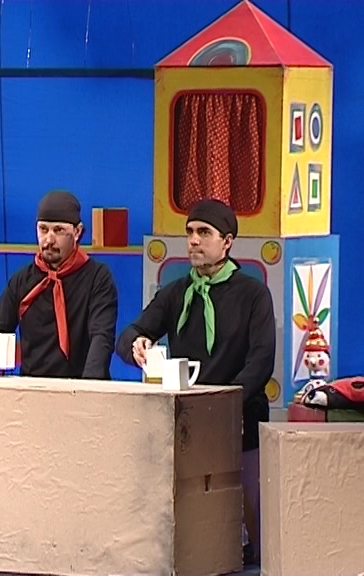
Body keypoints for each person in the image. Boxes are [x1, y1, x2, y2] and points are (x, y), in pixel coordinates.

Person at [115, 198, 275, 566]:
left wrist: (224, 404)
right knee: (193, 532)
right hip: (186, 421)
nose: (194, 240)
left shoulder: (253, 295)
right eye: (189, 232)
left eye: (204, 232)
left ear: (227, 241)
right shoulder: (175, 294)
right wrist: (137, 344)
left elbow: (261, 361)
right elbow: (129, 335)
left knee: (248, 536)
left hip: (238, 417)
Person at [0, 190, 118, 379]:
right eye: (43, 229)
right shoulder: (22, 280)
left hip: (81, 385)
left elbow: (102, 337)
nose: (49, 240)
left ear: (77, 232)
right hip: (31, 387)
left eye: (59, 230)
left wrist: (87, 388)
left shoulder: (97, 277)